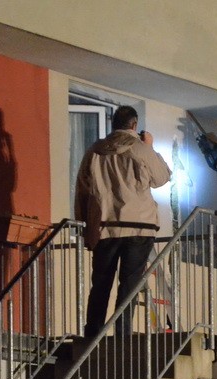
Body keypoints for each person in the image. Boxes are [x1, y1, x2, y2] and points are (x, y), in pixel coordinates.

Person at [75, 105, 171, 337]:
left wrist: (85, 227)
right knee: (129, 285)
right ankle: (123, 332)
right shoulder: (140, 148)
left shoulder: (94, 151)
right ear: (134, 125)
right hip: (140, 227)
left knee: (101, 282)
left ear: (113, 123)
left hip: (106, 227)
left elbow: (82, 191)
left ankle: (93, 331)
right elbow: (162, 177)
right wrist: (150, 147)